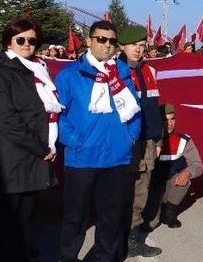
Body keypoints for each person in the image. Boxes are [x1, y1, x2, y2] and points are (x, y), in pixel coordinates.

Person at [56, 20, 142, 262]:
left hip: (116, 159)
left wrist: (130, 138)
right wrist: (75, 141)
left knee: (110, 218)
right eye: (101, 39)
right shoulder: (69, 75)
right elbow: (56, 115)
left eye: (112, 41)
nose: (107, 45)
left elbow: (135, 112)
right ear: (89, 41)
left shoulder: (124, 75)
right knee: (76, 218)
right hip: (81, 159)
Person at [0, 19, 60, 261]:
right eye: (20, 39)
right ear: (8, 42)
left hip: (31, 160)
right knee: (2, 227)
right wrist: (41, 149)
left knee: (23, 223)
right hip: (10, 162)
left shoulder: (36, 69)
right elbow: (6, 120)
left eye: (32, 40)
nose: (26, 44)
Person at [117, 25, 164, 258]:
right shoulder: (113, 71)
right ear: (121, 46)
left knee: (140, 191)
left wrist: (157, 139)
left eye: (141, 45)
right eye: (133, 45)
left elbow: (154, 110)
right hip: (121, 142)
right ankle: (116, 239)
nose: (138, 49)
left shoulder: (150, 71)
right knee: (118, 190)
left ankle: (133, 240)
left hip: (146, 141)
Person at [147, 104, 203, 230]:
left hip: (171, 183)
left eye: (172, 119)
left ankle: (169, 212)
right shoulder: (149, 141)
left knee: (185, 181)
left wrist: (187, 172)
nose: (170, 124)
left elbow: (197, 165)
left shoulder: (184, 140)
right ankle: (155, 208)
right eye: (165, 120)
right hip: (152, 186)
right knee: (150, 224)